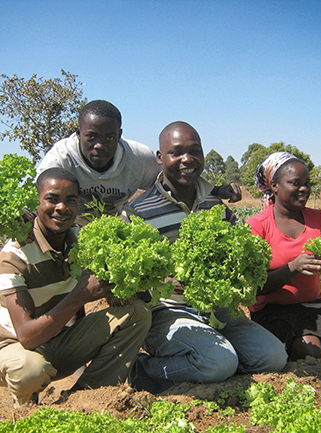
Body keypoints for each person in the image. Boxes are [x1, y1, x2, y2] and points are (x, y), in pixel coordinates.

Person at [123, 121, 287, 394]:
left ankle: (209, 358)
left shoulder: (216, 203)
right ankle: (141, 368)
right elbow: (130, 281)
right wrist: (161, 281)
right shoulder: (139, 211)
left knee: (273, 357)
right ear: (160, 159)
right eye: (176, 153)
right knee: (218, 363)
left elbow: (241, 247)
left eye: (194, 151)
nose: (187, 159)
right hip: (168, 311)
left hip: (218, 309)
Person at [0, 168, 151, 407]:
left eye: (70, 200)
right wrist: (80, 295)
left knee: (137, 314)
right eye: (52, 199)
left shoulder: (83, 239)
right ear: (36, 203)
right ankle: (26, 409)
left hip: (56, 343)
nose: (62, 207)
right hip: (13, 347)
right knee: (29, 369)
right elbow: (27, 337)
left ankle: (85, 398)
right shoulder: (15, 255)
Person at [36, 100, 241, 223]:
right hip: (71, 227)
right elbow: (40, 201)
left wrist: (213, 190)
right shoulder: (60, 160)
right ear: (78, 133)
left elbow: (176, 176)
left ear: (119, 135)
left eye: (109, 138)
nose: (100, 145)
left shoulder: (138, 158)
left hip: (120, 230)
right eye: (91, 137)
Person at [247, 151, 321, 361]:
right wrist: (293, 267)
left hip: (315, 306)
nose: (304, 189)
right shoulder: (257, 226)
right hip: (274, 312)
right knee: (312, 351)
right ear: (275, 186)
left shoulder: (319, 218)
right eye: (295, 183)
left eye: (307, 183)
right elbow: (255, 287)